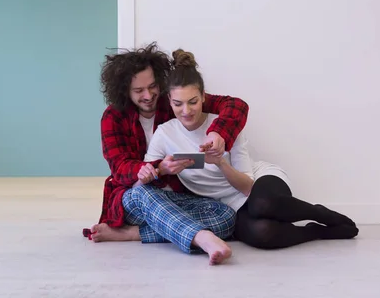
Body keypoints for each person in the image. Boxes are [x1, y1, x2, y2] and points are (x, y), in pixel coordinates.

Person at [135, 49, 359, 250]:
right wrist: (162, 169)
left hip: (256, 184)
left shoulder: (223, 126)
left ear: (204, 97)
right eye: (178, 104)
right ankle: (317, 231)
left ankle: (319, 213)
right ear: (169, 102)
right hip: (226, 205)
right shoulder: (164, 134)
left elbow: (248, 187)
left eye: (193, 101)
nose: (186, 111)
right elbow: (141, 181)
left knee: (262, 204)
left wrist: (221, 162)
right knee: (263, 234)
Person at [84, 42, 250, 264]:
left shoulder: (174, 101)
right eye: (138, 90)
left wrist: (217, 133)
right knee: (145, 193)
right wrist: (158, 168)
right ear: (124, 90)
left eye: (152, 86)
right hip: (133, 197)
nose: (148, 95)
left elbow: (236, 105)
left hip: (177, 196)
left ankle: (132, 234)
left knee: (226, 217)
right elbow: (120, 168)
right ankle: (202, 238)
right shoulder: (113, 117)